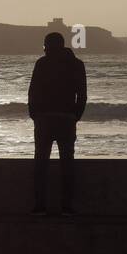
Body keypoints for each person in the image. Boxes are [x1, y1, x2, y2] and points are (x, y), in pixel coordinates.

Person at [28, 31, 86, 215]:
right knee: (67, 163)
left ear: (48, 46)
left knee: (41, 163)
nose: (44, 49)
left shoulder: (42, 64)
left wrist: (34, 114)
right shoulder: (76, 65)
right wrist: (75, 116)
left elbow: (33, 91)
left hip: (44, 118)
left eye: (45, 45)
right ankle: (67, 207)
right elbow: (82, 95)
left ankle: (40, 206)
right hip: (66, 119)